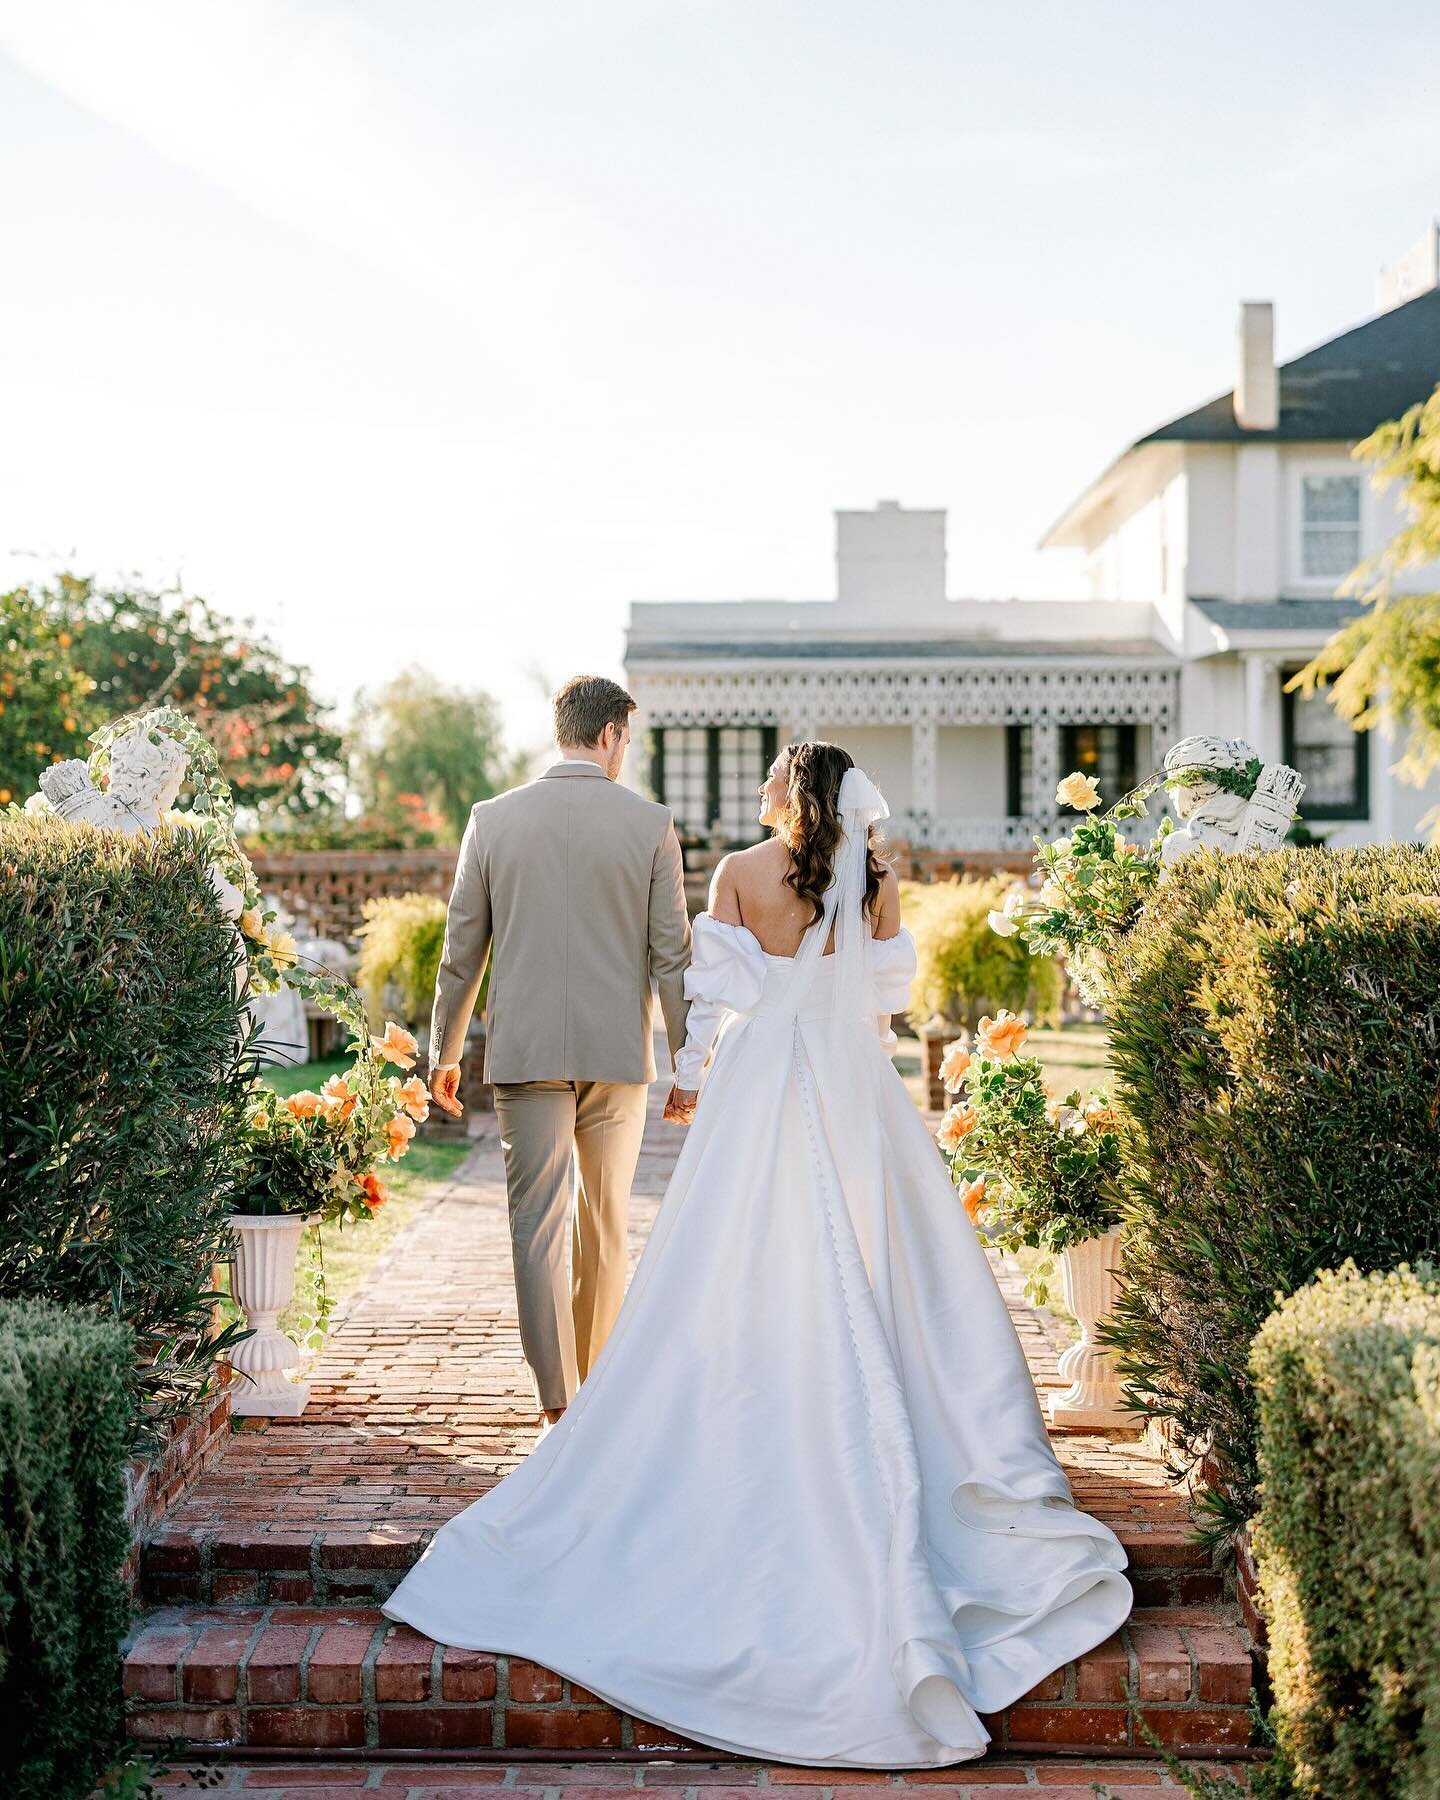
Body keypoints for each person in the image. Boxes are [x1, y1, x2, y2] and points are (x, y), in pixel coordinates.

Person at [389, 740, 1132, 1768]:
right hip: (849, 1078)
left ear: (790, 792)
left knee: (734, 1249)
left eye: (771, 779)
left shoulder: (739, 872)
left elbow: (710, 999)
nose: (761, 793)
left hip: (761, 1076)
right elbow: (886, 1003)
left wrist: (691, 1077)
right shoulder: (876, 874)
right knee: (875, 1248)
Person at [427, 673, 691, 1425]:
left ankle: (554, 1405)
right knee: (605, 1220)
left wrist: (444, 1055)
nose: (624, 755)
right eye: (626, 741)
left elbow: (460, 951)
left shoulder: (491, 819)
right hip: (617, 1059)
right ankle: (596, 1399)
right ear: (609, 734)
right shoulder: (650, 825)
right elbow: (670, 958)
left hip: (526, 1055)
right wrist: (687, 1063)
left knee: (536, 1226)